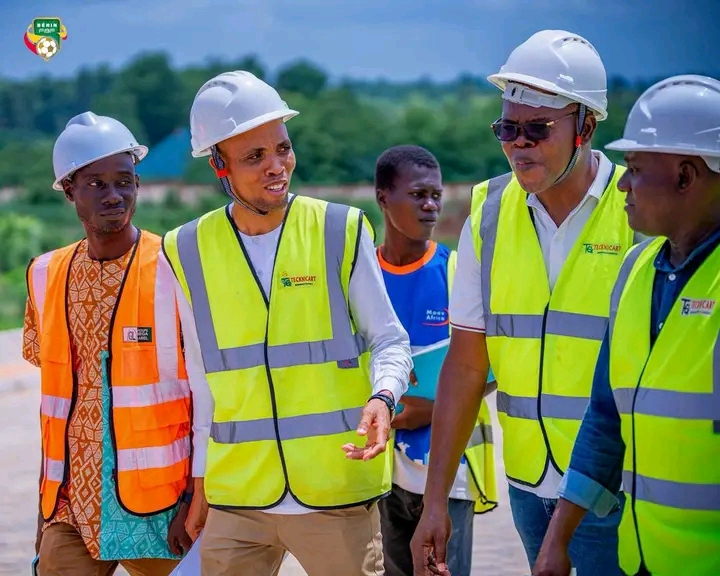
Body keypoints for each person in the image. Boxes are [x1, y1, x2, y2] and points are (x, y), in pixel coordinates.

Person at [411, 30, 646, 575]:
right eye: (507, 129)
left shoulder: (638, 214)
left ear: (585, 127)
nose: (519, 144)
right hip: (528, 485)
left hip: (617, 492)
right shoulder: (489, 214)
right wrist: (435, 500)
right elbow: (467, 365)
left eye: (537, 129)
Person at [161, 71, 413, 576]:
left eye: (283, 148)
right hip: (238, 498)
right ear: (218, 165)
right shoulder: (185, 249)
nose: (277, 166)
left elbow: (389, 340)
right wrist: (201, 484)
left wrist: (384, 396)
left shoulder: (340, 228)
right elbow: (201, 381)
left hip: (334, 489)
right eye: (254, 156)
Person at [532, 74, 720, 576]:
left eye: (635, 169)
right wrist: (557, 540)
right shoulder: (636, 270)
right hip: (641, 560)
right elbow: (604, 419)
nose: (622, 184)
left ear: (685, 176)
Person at [24, 111, 207, 575]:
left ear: (138, 184)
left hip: (161, 505)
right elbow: (57, 405)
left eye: (124, 181)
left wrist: (198, 495)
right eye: (97, 184)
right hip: (70, 504)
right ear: (69, 190)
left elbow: (207, 393)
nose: (114, 195)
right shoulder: (44, 274)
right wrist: (44, 512)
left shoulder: (175, 269)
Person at [373, 145, 499, 576]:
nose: (430, 205)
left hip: (449, 474)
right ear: (383, 197)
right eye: (417, 194)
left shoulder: (457, 272)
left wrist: (430, 410)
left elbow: (490, 367)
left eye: (435, 195)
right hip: (378, 475)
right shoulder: (362, 277)